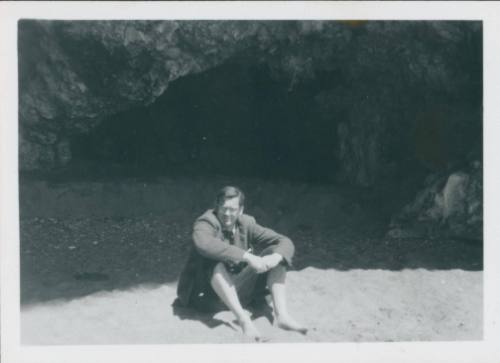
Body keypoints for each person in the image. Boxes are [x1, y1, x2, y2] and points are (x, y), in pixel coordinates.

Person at [176, 186, 307, 340]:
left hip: (237, 291)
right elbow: (204, 245)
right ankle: (244, 322)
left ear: (241, 210)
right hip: (206, 297)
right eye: (223, 208)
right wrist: (248, 256)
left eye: (232, 209)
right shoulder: (206, 221)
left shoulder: (246, 223)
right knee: (211, 259)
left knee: (276, 252)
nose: (227, 214)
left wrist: (275, 258)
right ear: (216, 206)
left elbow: (285, 241)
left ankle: (282, 316)